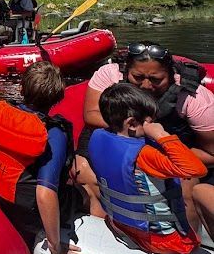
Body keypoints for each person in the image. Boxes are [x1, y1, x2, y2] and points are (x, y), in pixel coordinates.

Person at [0, 61, 83, 254]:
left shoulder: (1, 113)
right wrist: (56, 248)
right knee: (85, 192)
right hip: (30, 212)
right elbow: (45, 192)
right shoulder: (53, 133)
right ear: (57, 98)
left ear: (21, 88)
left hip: (4, 198)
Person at [77, 83, 205, 254]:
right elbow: (196, 169)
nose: (154, 124)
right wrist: (162, 135)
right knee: (200, 199)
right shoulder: (144, 155)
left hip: (120, 225)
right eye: (150, 122)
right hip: (160, 240)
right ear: (131, 123)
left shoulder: (98, 136)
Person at [82, 43, 214, 166]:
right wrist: (137, 129)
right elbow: (91, 115)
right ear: (126, 70)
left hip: (170, 153)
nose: (145, 86)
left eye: (155, 79)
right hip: (118, 141)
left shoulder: (193, 97)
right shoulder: (110, 74)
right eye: (138, 77)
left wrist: (163, 153)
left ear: (171, 74)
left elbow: (211, 154)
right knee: (83, 169)